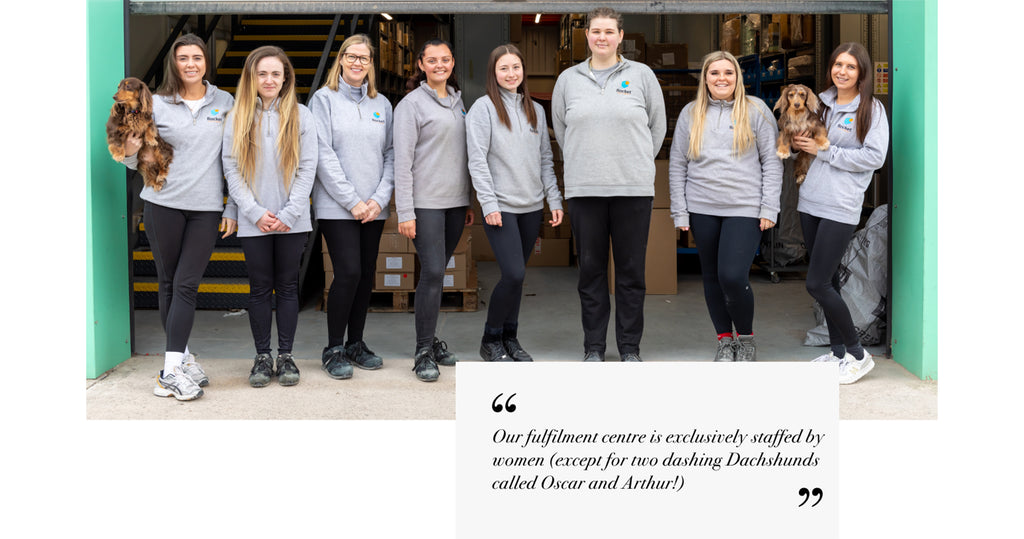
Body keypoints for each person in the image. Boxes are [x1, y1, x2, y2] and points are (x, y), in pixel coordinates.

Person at [121, 33, 237, 401]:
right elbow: (130, 159)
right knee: (169, 282)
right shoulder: (155, 103)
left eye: (197, 58)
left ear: (206, 62)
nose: (190, 64)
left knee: (186, 283)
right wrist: (129, 149)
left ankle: (172, 367)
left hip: (205, 209)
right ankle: (176, 365)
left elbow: (233, 160)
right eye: (183, 58)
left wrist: (232, 205)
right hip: (163, 205)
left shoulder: (225, 101)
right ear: (174, 63)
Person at [551, 7, 666, 362]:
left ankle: (629, 348)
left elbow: (657, 129)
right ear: (586, 36)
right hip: (586, 191)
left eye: (609, 31)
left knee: (631, 274)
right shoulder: (568, 80)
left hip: (632, 190)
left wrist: (634, 161)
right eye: (595, 31)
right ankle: (595, 347)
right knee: (591, 273)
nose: (602, 37)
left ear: (620, 36)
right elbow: (561, 130)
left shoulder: (642, 75)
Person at [668, 51, 782, 362]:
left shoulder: (756, 110)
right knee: (711, 277)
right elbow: (677, 164)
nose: (722, 79)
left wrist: (769, 208)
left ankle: (745, 337)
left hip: (744, 208)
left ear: (737, 78)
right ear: (705, 78)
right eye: (715, 73)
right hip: (702, 207)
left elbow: (772, 162)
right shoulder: (692, 114)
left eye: (728, 73)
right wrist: (680, 211)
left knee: (733, 275)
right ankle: (724, 339)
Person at [792, 42, 889, 384]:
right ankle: (837, 355)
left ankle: (858, 355)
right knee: (828, 280)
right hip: (811, 202)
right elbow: (803, 141)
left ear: (861, 72)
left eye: (850, 66)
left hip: (841, 206)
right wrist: (797, 146)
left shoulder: (871, 111)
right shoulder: (819, 102)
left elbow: (874, 158)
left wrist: (826, 152)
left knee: (816, 282)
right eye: (837, 65)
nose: (842, 71)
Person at [222, 46, 317, 387]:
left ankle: (287, 356)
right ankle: (262, 356)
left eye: (276, 73)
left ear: (286, 78)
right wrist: (254, 211)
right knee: (260, 289)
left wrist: (290, 212)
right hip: (254, 220)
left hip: (293, 220)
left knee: (288, 288)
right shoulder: (236, 117)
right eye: (262, 73)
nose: (269, 79)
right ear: (252, 77)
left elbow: (308, 167)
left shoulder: (303, 116)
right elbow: (231, 168)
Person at [466, 44, 564, 362]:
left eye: (516, 67)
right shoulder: (484, 109)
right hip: (502, 208)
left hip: (531, 207)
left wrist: (554, 199)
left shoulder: (534, 109)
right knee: (513, 275)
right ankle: (490, 337)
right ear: (494, 73)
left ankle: (510, 338)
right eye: (504, 68)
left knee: (518, 276)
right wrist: (489, 204)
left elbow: (546, 160)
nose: (511, 74)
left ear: (524, 71)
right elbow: (477, 160)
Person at [309, 34, 395, 380]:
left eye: (364, 58)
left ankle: (356, 343)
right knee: (347, 272)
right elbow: (322, 154)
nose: (358, 63)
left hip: (374, 207)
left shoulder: (382, 104)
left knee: (365, 275)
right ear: (340, 59)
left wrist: (378, 198)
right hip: (337, 206)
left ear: (371, 64)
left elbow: (391, 153)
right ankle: (333, 348)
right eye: (352, 56)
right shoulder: (323, 100)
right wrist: (353, 201)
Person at [394, 39, 474, 381]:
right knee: (433, 274)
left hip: (455, 203)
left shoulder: (458, 102)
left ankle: (431, 339)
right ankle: (423, 351)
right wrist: (405, 211)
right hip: (425, 204)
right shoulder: (410, 105)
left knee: (438, 271)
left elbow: (464, 155)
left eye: (445, 59)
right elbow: (402, 161)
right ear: (421, 64)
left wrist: (468, 199)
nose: (439, 65)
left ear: (452, 62)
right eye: (432, 60)